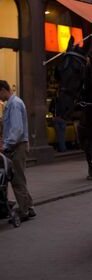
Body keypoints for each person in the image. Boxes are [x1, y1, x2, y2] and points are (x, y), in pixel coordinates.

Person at [0, 80, 35, 221]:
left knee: (17, 179)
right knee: (19, 177)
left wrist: (5, 145)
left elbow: (16, 130)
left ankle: (24, 210)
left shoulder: (14, 104)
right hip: (18, 145)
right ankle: (29, 206)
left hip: (17, 146)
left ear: (3, 89)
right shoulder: (12, 104)